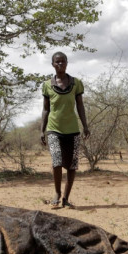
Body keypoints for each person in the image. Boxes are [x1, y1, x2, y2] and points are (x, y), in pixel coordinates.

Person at [41, 51, 90, 209]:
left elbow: (80, 106)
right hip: (54, 129)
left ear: (67, 63)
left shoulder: (76, 83)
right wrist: (42, 130)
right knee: (56, 161)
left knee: (72, 165)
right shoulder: (47, 85)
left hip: (72, 130)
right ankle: (56, 192)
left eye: (63, 61)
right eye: (57, 62)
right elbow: (46, 109)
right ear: (53, 64)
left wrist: (85, 125)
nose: (60, 64)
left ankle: (66, 198)